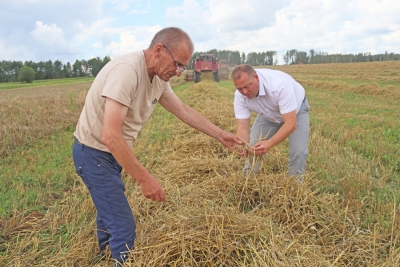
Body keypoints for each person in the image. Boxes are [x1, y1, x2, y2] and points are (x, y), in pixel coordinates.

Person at [72, 27, 242, 266]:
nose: (179, 71)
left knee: (109, 209)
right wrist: (145, 179)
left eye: (183, 66)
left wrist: (221, 135)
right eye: (178, 64)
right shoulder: (127, 71)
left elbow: (183, 111)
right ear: (159, 50)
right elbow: (110, 135)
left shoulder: (159, 78)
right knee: (123, 226)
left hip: (110, 155)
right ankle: (121, 259)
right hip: (93, 153)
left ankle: (104, 255)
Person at [231, 64, 310, 178]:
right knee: (253, 146)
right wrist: (243, 145)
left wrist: (269, 143)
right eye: (239, 89)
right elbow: (242, 127)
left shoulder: (278, 85)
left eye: (247, 86)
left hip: (295, 112)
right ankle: (248, 180)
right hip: (268, 114)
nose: (244, 92)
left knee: (298, 152)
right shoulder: (240, 96)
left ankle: (294, 186)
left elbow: (291, 124)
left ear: (256, 77)